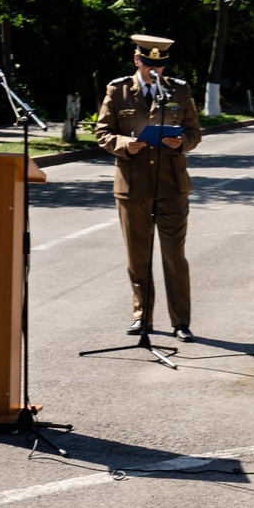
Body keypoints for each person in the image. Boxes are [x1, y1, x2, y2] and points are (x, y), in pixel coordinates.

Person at [95, 34, 206, 339]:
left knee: (174, 255)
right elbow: (102, 131)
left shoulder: (179, 91)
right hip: (133, 187)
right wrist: (123, 144)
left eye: (160, 65)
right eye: (147, 64)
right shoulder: (117, 90)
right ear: (136, 60)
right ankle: (142, 317)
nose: (153, 71)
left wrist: (181, 141)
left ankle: (181, 322)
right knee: (138, 256)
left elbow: (194, 131)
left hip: (172, 185)